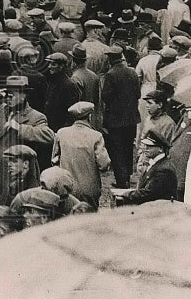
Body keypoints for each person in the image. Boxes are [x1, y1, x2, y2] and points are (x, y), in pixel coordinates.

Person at [0, 75, 55, 209]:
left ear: (23, 95)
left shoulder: (35, 116)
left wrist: (20, 128)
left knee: (16, 214)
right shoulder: (2, 110)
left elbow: (49, 136)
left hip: (18, 178)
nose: (8, 98)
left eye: (12, 95)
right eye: (7, 94)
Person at [51, 101, 110, 211]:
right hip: (89, 189)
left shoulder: (61, 133)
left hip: (67, 188)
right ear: (90, 116)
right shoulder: (96, 136)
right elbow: (104, 164)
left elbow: (54, 160)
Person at [101, 47, 141, 189]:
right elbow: (138, 94)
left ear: (111, 59)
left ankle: (121, 179)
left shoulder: (110, 74)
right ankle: (128, 176)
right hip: (131, 118)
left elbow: (106, 96)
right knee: (128, 147)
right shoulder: (132, 72)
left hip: (116, 120)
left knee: (117, 150)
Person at [113, 130, 178, 205]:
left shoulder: (164, 169)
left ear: (160, 149)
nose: (146, 148)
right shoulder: (157, 163)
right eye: (145, 145)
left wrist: (126, 194)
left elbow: (150, 193)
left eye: (150, 146)